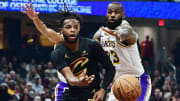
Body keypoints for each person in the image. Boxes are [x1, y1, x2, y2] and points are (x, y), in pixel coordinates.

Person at [22, 3, 115, 101]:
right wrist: (35, 19)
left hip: (87, 88)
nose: (72, 30)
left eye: (75, 27)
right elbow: (46, 31)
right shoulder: (60, 40)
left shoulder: (88, 44)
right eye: (68, 27)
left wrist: (102, 88)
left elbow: (109, 68)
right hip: (66, 87)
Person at [93, 2, 152, 101]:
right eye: (110, 12)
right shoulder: (101, 34)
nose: (112, 15)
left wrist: (118, 35)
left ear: (123, 15)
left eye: (116, 12)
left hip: (136, 80)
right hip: (118, 83)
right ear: (106, 14)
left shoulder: (128, 30)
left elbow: (128, 34)